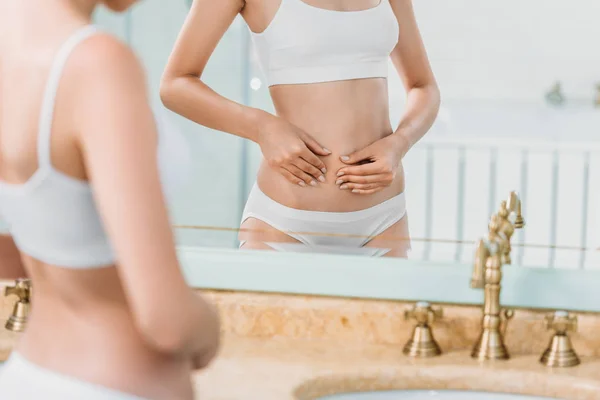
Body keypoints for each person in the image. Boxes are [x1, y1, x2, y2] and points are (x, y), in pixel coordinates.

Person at [0, 1, 219, 399]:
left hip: (26, 375)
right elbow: (167, 322)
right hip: (111, 384)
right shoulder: (96, 64)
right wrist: (208, 327)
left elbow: (39, 239)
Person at [161, 0, 439, 257]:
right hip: (284, 223)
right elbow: (175, 85)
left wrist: (399, 143)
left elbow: (423, 86)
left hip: (384, 221)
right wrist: (261, 126)